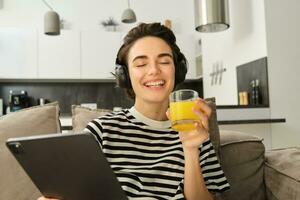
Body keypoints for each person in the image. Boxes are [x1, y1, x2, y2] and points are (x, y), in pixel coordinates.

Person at [38, 22, 229, 200]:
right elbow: (65, 191)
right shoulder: (101, 131)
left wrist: (191, 150)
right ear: (126, 75)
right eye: (140, 64)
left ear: (176, 70)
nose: (154, 70)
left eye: (164, 61)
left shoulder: (195, 132)